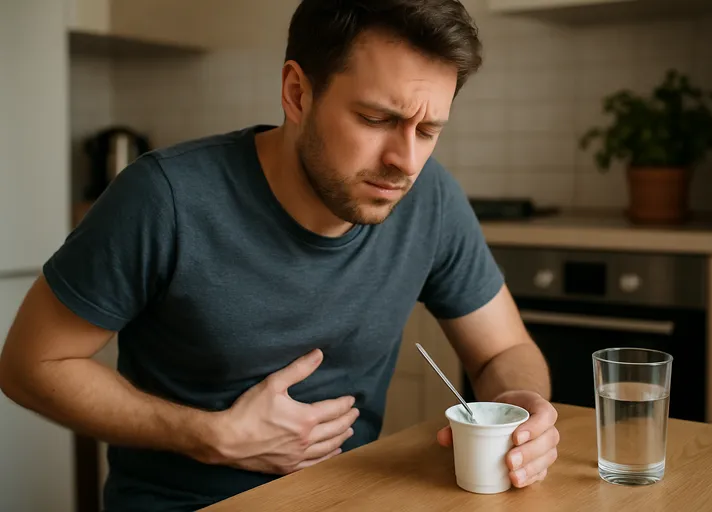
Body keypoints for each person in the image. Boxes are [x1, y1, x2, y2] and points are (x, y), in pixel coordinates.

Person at [0, 0, 560, 510]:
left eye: (429, 129)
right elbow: (30, 366)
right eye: (376, 119)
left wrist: (520, 406)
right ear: (297, 93)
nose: (405, 161)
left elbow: (502, 350)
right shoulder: (164, 198)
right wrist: (209, 435)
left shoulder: (431, 198)